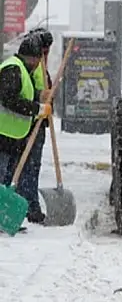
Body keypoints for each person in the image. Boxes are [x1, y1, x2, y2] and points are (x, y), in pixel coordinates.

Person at [0, 35, 51, 192]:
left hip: (12, 139)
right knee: (1, 181)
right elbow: (9, 99)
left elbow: (21, 94)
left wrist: (38, 96)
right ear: (34, 59)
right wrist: (37, 109)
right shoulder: (13, 69)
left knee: (6, 184)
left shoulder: (20, 70)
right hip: (2, 136)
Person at [15, 28, 53, 224]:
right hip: (31, 123)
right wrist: (40, 105)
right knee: (28, 167)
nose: (46, 54)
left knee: (29, 167)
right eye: (46, 50)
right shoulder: (34, 65)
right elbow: (33, 91)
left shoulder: (38, 64)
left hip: (35, 120)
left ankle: (28, 205)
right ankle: (29, 207)